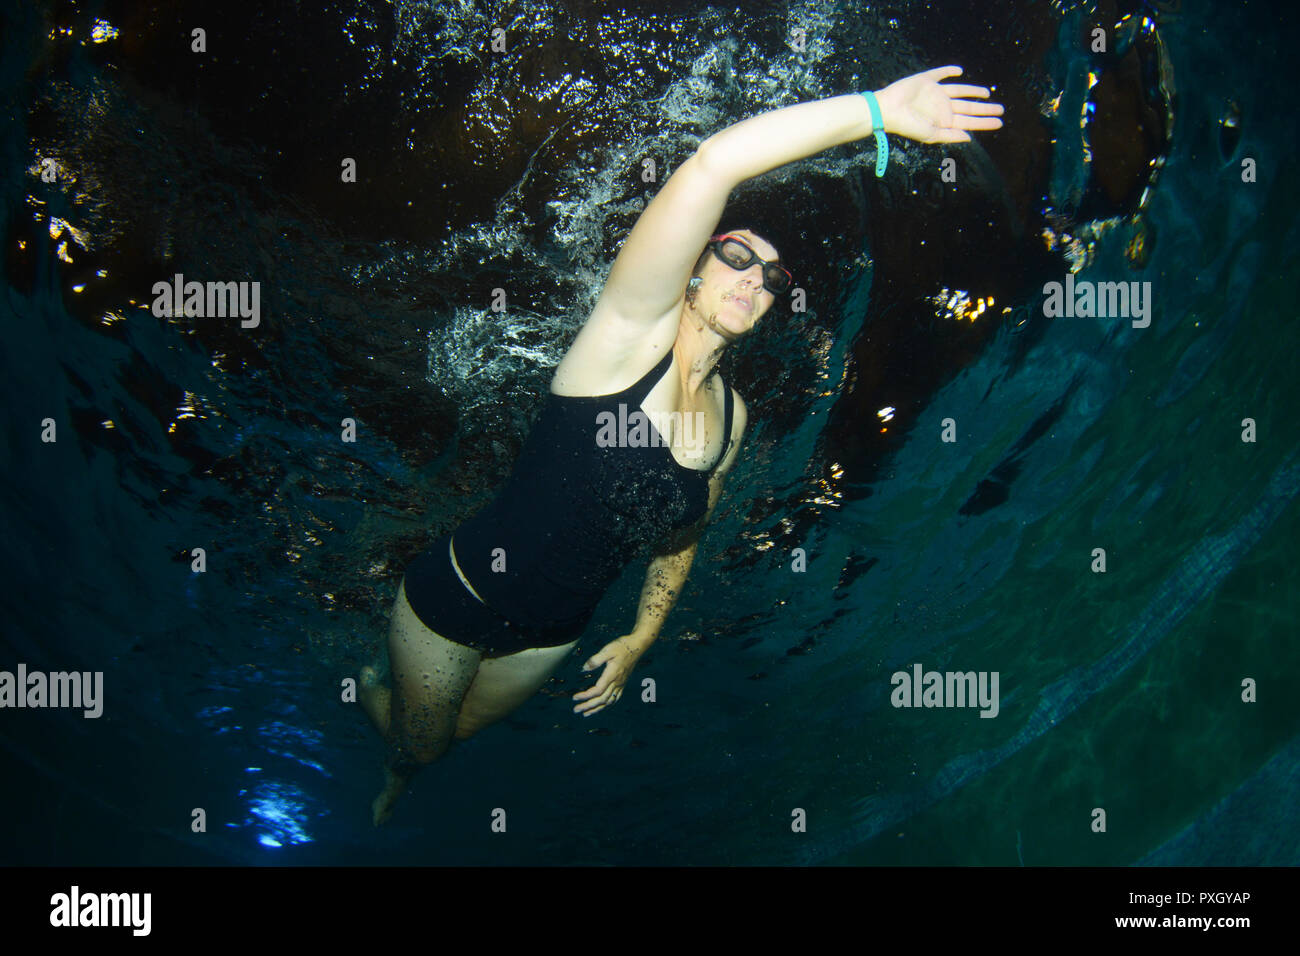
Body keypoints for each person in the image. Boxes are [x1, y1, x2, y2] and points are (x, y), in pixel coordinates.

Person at [359, 65, 1004, 824]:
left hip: (550, 639)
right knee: (420, 748)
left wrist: (640, 636)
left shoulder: (731, 420)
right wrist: (875, 112)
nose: (753, 280)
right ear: (691, 273)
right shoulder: (626, 340)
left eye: (770, 277)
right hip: (462, 595)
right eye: (735, 256)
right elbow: (715, 163)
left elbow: (681, 539)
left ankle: (407, 725)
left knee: (458, 736)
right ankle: (379, 693)